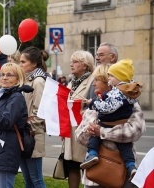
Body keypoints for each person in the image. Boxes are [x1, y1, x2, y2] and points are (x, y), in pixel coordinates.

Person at [75, 64, 146, 188]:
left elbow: (134, 131)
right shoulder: (94, 105)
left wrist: (102, 132)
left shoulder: (130, 104)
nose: (93, 84)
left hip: (121, 172)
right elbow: (80, 137)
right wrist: (90, 130)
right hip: (94, 176)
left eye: (96, 80)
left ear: (108, 82)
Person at [0, 63, 33, 188]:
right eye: (2, 74)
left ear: (18, 79)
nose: (4, 77)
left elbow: (6, 122)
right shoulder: (0, 95)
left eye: (9, 75)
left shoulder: (16, 97)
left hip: (6, 146)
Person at [64, 50, 95, 188]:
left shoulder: (92, 81)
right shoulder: (71, 83)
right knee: (72, 165)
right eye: (72, 61)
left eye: (76, 62)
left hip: (84, 130)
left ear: (86, 65)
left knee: (84, 165)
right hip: (70, 130)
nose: (72, 64)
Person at [19, 46, 48, 188]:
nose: (20, 65)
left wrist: (28, 125)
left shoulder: (38, 81)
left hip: (32, 134)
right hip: (24, 133)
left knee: (36, 179)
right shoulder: (27, 80)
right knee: (28, 179)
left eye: (23, 62)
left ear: (34, 64)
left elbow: (40, 111)